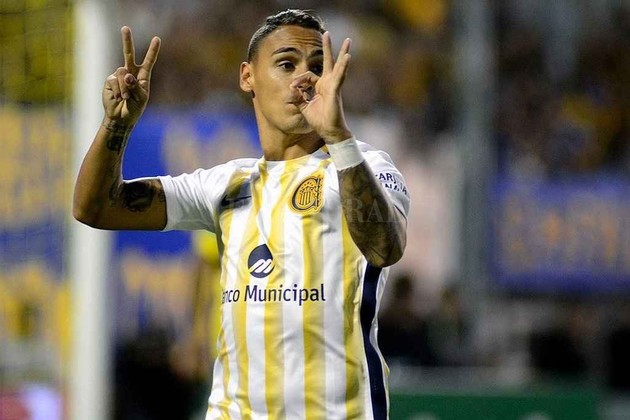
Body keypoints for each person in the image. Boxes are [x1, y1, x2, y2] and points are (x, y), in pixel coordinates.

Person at [73, 9, 409, 420]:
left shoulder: (365, 166)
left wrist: (338, 138)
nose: (305, 78)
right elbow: (95, 207)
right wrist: (116, 126)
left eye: (317, 67)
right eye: (287, 64)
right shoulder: (226, 185)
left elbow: (385, 249)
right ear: (247, 77)